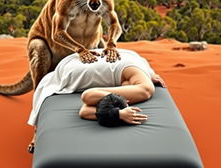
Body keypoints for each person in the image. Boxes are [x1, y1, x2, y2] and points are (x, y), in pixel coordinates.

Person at [28, 48, 165, 127]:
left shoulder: (138, 61)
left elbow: (85, 111)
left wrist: (150, 72)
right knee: (144, 91)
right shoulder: (145, 89)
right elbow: (87, 98)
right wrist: (118, 113)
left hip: (78, 59)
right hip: (72, 72)